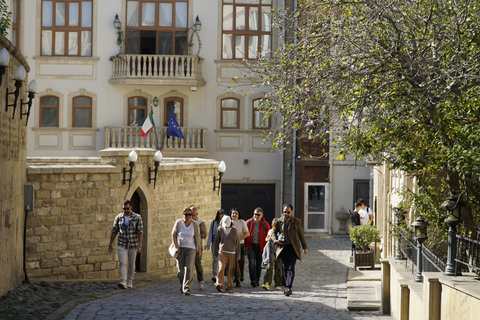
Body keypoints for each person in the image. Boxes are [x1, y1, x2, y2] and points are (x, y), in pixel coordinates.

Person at [272, 203, 307, 297]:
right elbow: (273, 232)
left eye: (288, 212)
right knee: (284, 267)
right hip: (282, 247)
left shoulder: (296, 222)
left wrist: (304, 247)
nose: (286, 214)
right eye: (284, 212)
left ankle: (289, 287)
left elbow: (301, 235)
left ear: (292, 212)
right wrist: (276, 240)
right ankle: (286, 283)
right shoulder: (278, 221)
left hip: (292, 247)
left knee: (290, 267)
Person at [108, 199, 144, 289]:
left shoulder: (137, 217)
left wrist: (139, 245)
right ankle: (123, 281)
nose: (126, 210)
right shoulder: (119, 217)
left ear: (131, 207)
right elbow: (114, 231)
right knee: (122, 262)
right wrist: (110, 244)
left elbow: (140, 232)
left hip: (133, 244)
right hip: (122, 243)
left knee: (131, 264)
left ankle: (129, 281)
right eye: (124, 209)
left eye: (127, 208)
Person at [171, 207, 202, 295]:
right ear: (183, 214)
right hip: (180, 248)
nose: (188, 216)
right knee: (180, 271)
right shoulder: (179, 223)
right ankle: (182, 285)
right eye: (186, 214)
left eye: (190, 215)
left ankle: (186, 288)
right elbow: (173, 235)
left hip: (191, 249)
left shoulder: (195, 224)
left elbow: (198, 238)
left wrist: (199, 250)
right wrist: (176, 247)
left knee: (188, 268)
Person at [245, 207, 271, 287]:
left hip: (261, 247)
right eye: (255, 214)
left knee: (259, 264)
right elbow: (244, 232)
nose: (256, 216)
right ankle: (253, 280)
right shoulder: (248, 222)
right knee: (252, 263)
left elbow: (269, 233)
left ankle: (257, 279)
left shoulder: (265, 224)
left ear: (262, 215)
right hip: (251, 246)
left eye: (258, 215)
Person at [214, 215, 240, 293]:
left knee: (230, 270)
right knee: (221, 268)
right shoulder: (220, 229)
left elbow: (237, 243)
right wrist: (216, 252)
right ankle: (219, 284)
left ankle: (229, 286)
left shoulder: (234, 230)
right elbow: (217, 241)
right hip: (222, 252)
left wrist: (238, 255)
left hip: (232, 253)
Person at [262, 217, 283, 291]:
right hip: (271, 250)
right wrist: (269, 239)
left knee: (278, 267)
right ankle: (267, 283)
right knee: (269, 266)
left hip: (279, 250)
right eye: (272, 225)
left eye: (275, 225)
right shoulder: (270, 231)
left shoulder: (281, 232)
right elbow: (266, 238)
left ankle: (278, 283)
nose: (273, 227)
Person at [229, 208, 249, 287]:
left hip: (240, 244)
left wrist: (238, 239)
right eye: (233, 213)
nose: (234, 215)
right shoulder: (228, 222)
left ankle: (239, 278)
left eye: (236, 213)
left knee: (239, 262)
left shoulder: (242, 222)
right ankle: (232, 277)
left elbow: (247, 234)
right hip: (230, 245)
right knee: (231, 262)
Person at [190, 205, 207, 291]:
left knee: (198, 265)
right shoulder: (186, 221)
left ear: (197, 214)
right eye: (191, 215)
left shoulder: (201, 222)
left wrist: (196, 234)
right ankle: (187, 283)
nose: (192, 217)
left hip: (197, 246)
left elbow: (204, 235)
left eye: (194, 215)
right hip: (189, 246)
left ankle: (201, 281)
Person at [206, 209, 225, 282]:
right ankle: (214, 274)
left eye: (223, 214)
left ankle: (221, 274)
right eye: (220, 214)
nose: (221, 215)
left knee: (222, 259)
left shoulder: (226, 222)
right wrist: (208, 243)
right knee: (215, 259)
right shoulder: (214, 223)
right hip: (215, 242)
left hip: (222, 242)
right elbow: (210, 233)